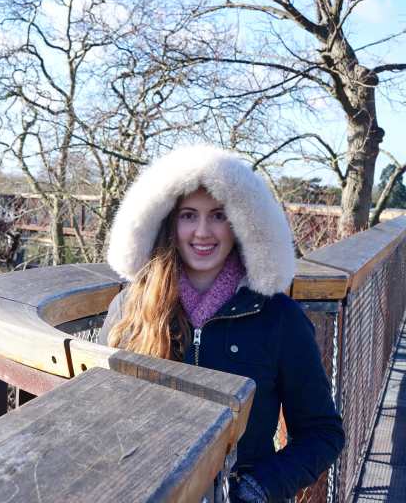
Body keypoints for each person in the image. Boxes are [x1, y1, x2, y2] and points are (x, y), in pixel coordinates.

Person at [98, 145, 344, 503]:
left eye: (217, 215)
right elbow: (100, 416)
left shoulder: (279, 318)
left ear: (240, 222)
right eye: (188, 215)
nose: (202, 232)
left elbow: (322, 433)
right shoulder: (129, 308)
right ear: (169, 222)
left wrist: (260, 488)